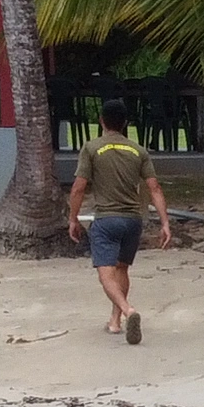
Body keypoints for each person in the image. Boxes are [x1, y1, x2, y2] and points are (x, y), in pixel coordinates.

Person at [64, 109, 173, 343]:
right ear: (125, 123)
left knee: (106, 274)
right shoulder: (138, 151)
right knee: (122, 269)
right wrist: (165, 223)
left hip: (106, 219)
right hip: (133, 220)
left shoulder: (92, 148)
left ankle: (127, 310)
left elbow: (78, 188)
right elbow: (154, 188)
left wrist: (73, 219)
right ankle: (114, 322)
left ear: (102, 121)